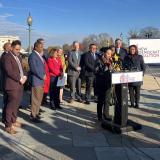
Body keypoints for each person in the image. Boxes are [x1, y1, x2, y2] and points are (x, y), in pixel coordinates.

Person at [2, 40, 27, 134]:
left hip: (19, 85)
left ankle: (13, 120)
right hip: (12, 85)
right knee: (10, 106)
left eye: (19, 49)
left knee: (16, 105)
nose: (18, 51)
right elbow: (9, 71)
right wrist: (19, 78)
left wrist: (24, 75)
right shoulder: (7, 57)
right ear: (11, 48)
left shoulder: (18, 57)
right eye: (16, 49)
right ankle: (8, 125)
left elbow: (21, 68)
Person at [28, 41, 45, 123]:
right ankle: (33, 116)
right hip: (36, 80)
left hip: (40, 80)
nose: (42, 48)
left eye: (42, 46)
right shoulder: (32, 56)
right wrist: (42, 76)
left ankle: (36, 113)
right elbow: (34, 68)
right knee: (35, 99)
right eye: (41, 47)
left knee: (39, 99)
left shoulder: (38, 55)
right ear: (36, 47)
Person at [96, 47, 113, 121]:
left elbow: (111, 70)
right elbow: (96, 71)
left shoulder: (110, 61)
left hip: (108, 83)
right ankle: (99, 116)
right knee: (101, 100)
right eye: (108, 53)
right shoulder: (99, 60)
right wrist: (106, 69)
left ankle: (106, 115)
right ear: (104, 53)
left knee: (107, 100)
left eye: (110, 54)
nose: (109, 55)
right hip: (101, 83)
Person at [0, 42, 11, 123]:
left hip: (7, 81)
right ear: (6, 47)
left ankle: (6, 117)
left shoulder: (7, 55)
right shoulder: (5, 56)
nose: (11, 48)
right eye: (10, 46)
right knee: (6, 101)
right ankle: (4, 118)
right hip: (6, 81)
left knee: (7, 101)